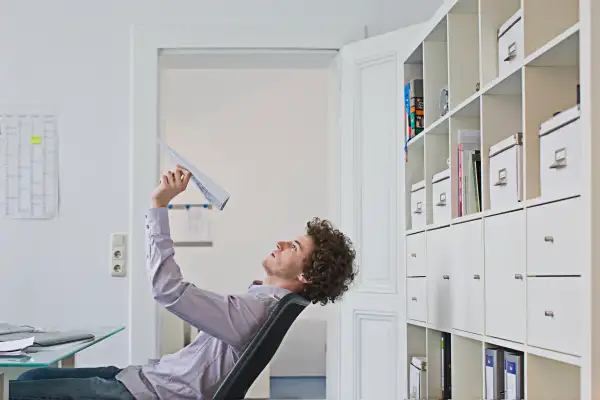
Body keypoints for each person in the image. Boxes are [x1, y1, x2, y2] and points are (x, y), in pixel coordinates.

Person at [9, 166, 357, 400]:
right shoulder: (262, 303)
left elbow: (168, 291)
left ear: (305, 276)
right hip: (145, 379)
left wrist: (159, 205)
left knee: (22, 390)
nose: (281, 243)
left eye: (294, 247)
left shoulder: (253, 310)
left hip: (148, 393)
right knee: (25, 381)